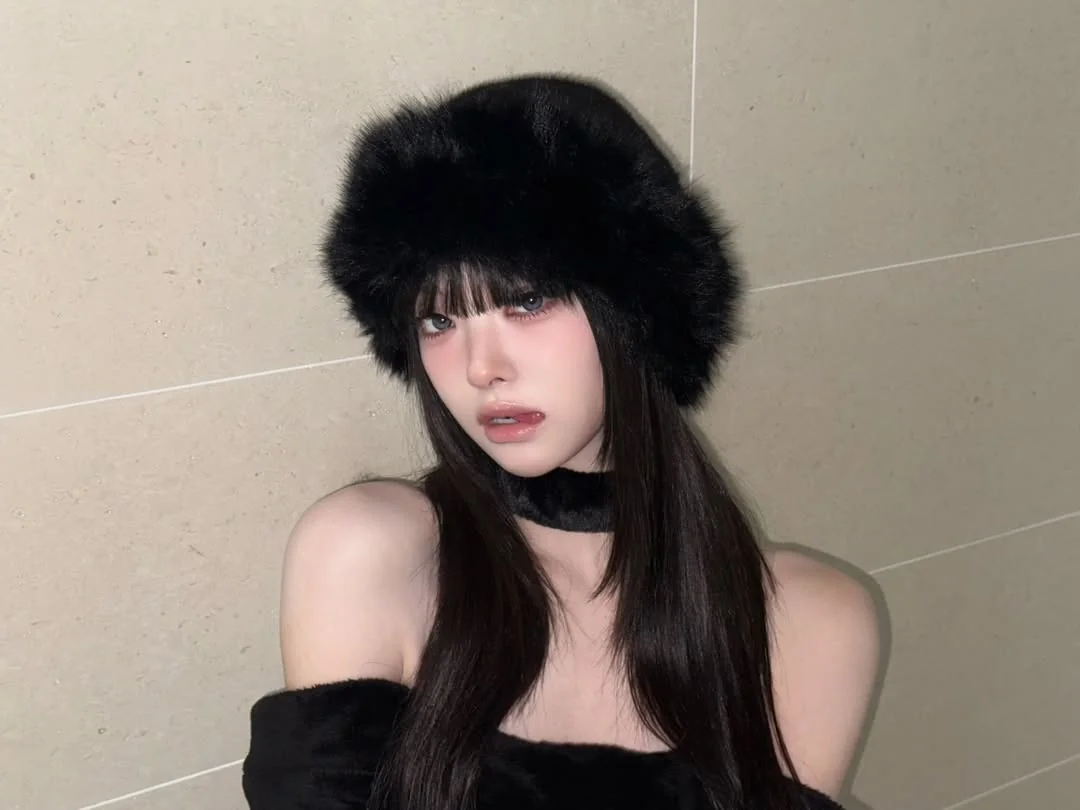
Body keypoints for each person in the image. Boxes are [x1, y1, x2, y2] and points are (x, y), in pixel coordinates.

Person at [242, 75, 880, 810]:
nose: (480, 368)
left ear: (636, 316)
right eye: (439, 321)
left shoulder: (808, 620)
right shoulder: (374, 553)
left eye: (527, 301)